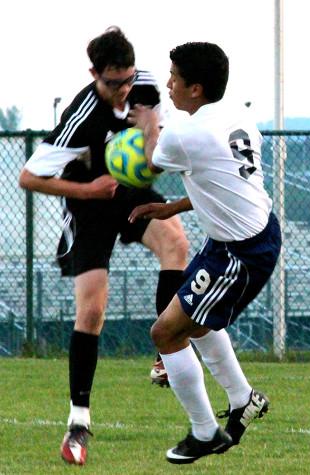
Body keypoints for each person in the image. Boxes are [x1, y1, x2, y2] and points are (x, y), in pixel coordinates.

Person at [18, 27, 189, 465]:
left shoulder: (148, 89)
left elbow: (157, 161)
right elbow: (29, 177)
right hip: (89, 203)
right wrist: (90, 190)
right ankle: (78, 422)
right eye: (114, 83)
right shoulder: (81, 117)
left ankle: (164, 355)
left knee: (175, 242)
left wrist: (152, 129)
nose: (124, 90)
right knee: (92, 311)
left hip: (129, 192)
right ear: (94, 74)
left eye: (129, 79)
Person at [128, 41, 282, 464]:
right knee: (195, 324)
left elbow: (148, 162)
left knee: (166, 333)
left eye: (174, 75)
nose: (169, 82)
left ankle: (204, 433)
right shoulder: (238, 116)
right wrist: (173, 206)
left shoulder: (182, 132)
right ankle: (242, 398)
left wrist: (147, 122)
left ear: (195, 88)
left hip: (240, 253)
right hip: (244, 236)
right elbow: (221, 184)